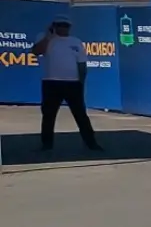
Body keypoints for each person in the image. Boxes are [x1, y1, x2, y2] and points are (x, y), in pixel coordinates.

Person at [30, 15, 103, 154]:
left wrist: (81, 82)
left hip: (72, 83)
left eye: (65, 26)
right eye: (59, 25)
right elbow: (36, 52)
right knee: (48, 115)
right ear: (54, 26)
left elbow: (82, 63)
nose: (63, 28)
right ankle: (46, 144)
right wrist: (48, 36)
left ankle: (91, 143)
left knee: (81, 115)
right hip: (51, 82)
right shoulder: (45, 39)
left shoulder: (75, 42)